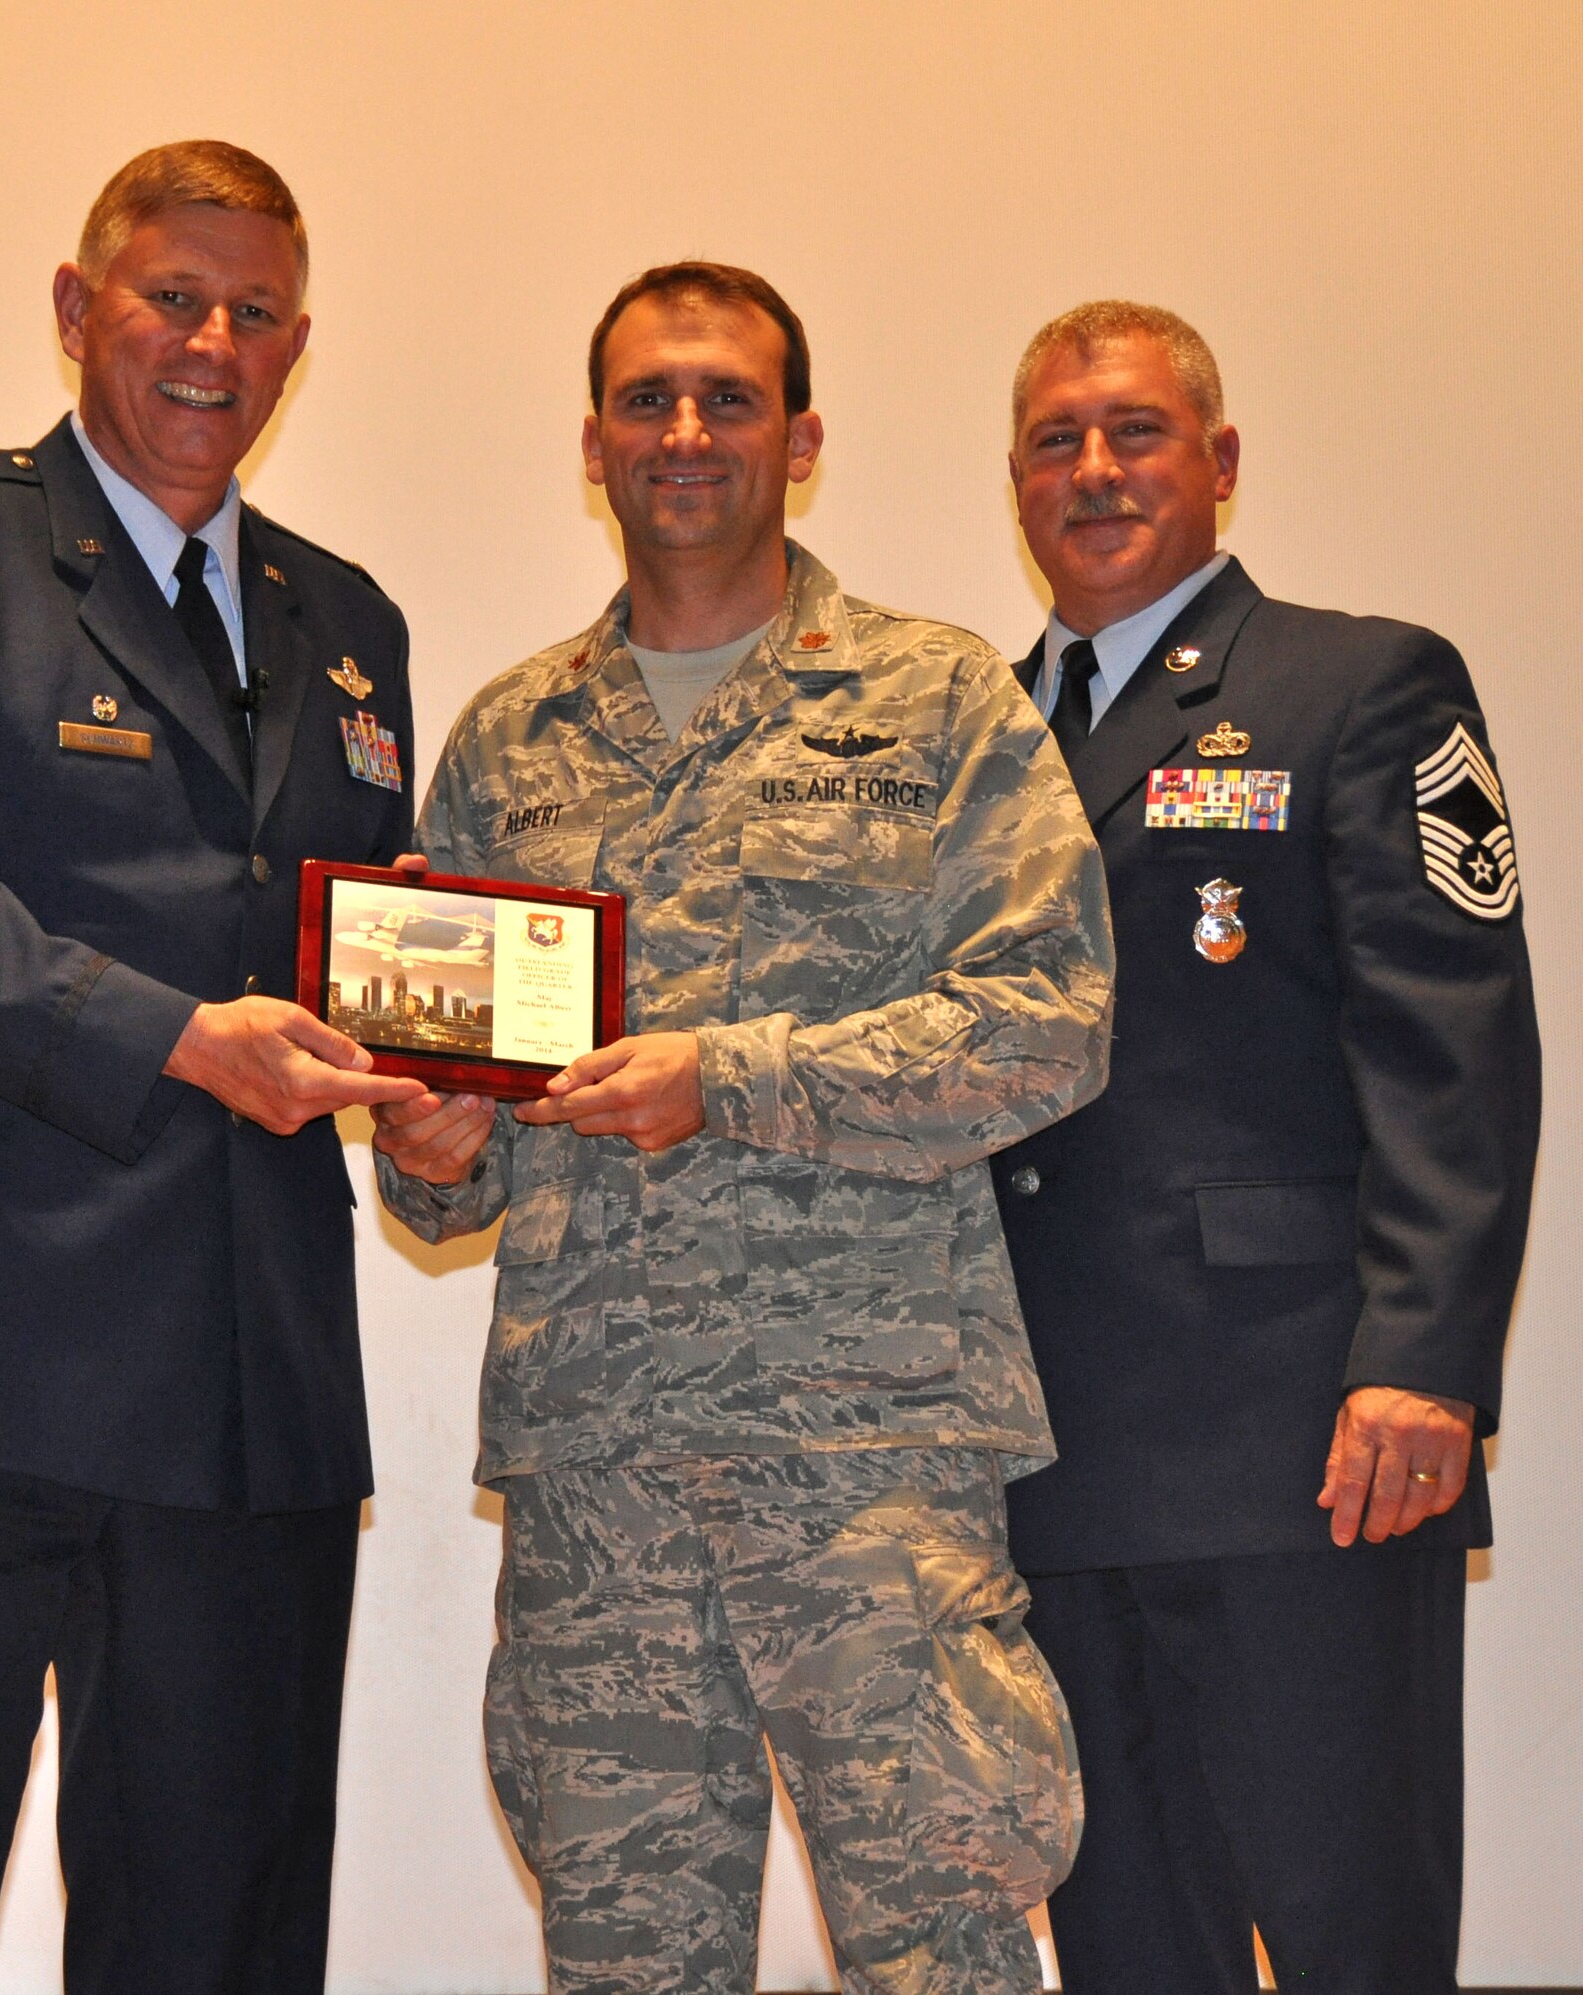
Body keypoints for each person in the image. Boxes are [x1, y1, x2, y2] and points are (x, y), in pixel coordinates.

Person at [0, 141, 426, 1994]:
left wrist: (423, 1056)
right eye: (172, 297)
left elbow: (336, 943)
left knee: (221, 1942)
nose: (213, 340)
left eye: (256, 312)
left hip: (242, 1388)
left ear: (297, 348)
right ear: (73, 310)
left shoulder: (349, 624)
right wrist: (184, 1038)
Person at [372, 262, 1114, 1995]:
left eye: (726, 398)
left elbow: (1048, 1025)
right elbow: (459, 1144)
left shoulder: (936, 704)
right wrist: (428, 1150)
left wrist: (733, 1073)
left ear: (802, 439)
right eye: (647, 401)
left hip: (869, 1460)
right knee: (626, 1959)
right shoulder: (507, 742)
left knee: (942, 1944)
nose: (685, 434)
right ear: (593, 443)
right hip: (594, 1464)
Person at [991, 300, 1540, 1993]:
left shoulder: (1360, 683)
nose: (1096, 471)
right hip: (1048, 1457)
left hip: (1304, 1444)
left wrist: (1425, 1366)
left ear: (1219, 461)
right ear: (1013, 481)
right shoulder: (977, 737)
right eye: (1056, 440)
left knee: (1346, 1924)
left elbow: (1454, 1044)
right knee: (1130, 1944)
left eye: (1135, 431)